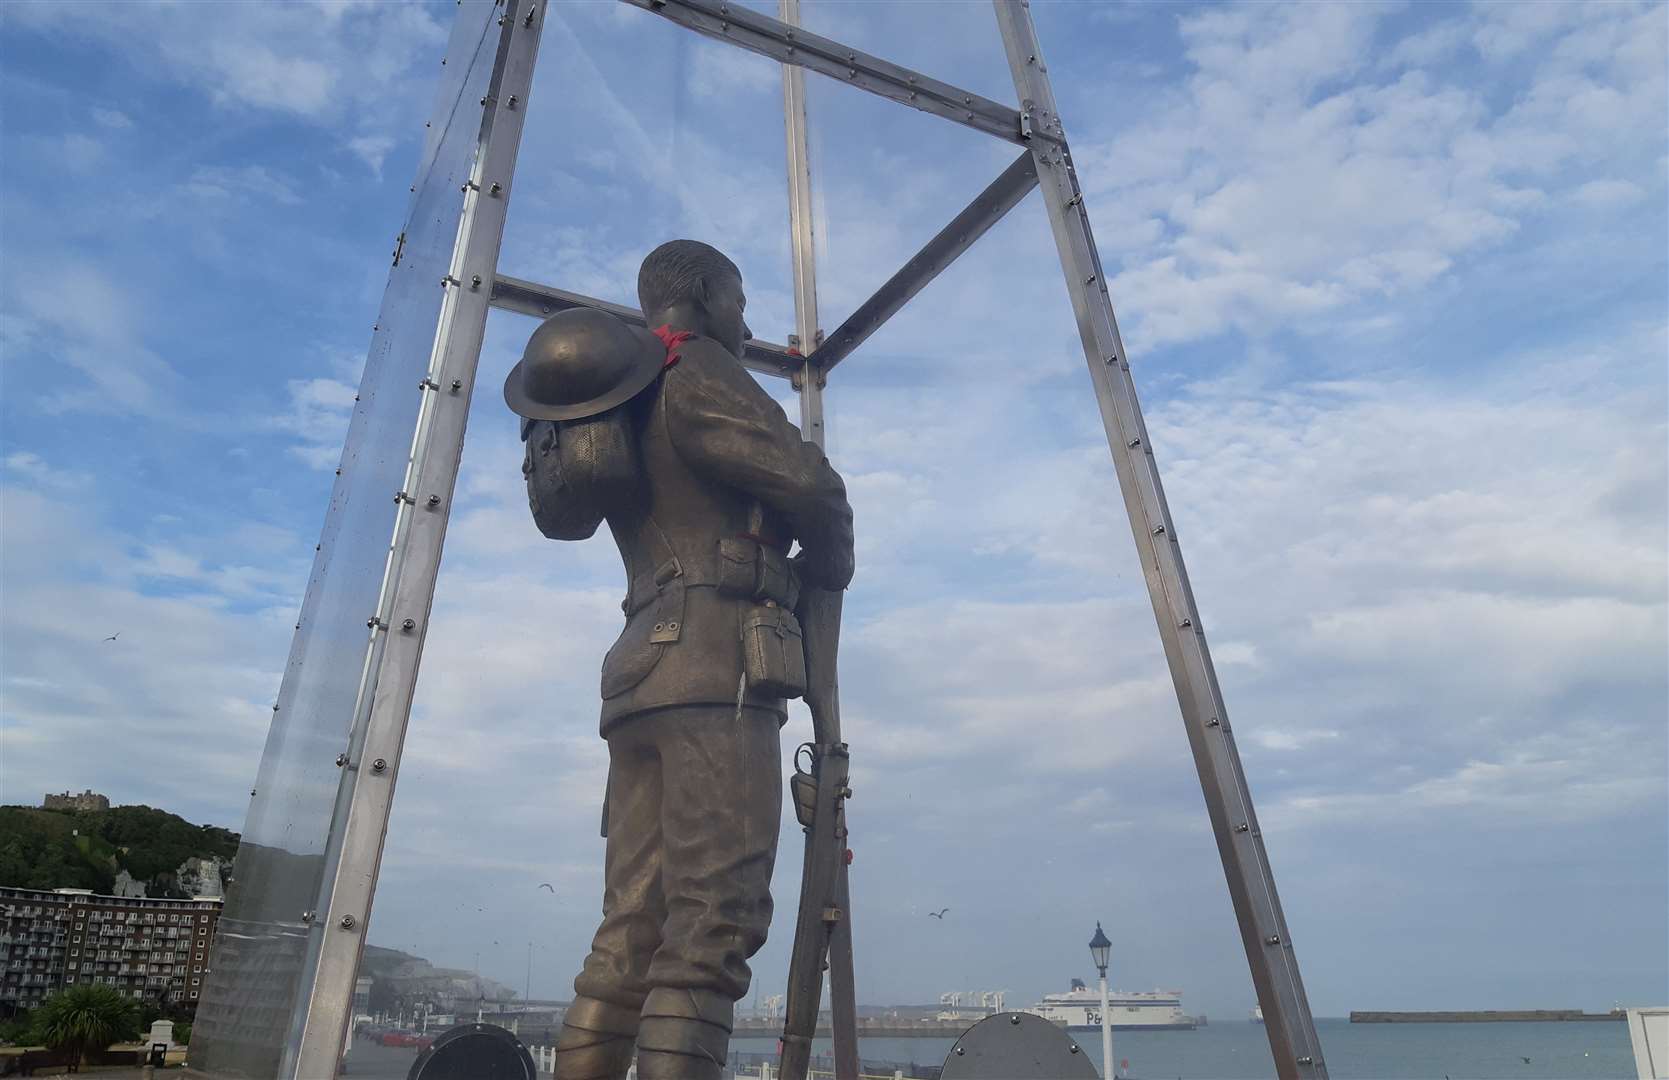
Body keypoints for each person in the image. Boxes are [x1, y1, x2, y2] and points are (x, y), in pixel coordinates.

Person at [505, 240, 854, 1080]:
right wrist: (828, 564)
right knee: (711, 927)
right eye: (738, 301)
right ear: (702, 299)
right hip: (717, 671)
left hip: (639, 670)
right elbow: (811, 486)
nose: (745, 320)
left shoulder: (616, 392)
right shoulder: (693, 368)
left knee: (632, 924)